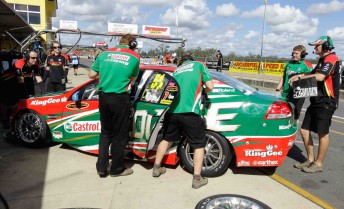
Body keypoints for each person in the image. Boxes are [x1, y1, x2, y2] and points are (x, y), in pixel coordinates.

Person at [152, 54, 214, 189]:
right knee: (198, 144)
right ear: (192, 59)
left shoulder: (177, 70)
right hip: (190, 112)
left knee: (167, 139)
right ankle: (197, 178)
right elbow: (210, 86)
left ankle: (156, 167)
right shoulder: (199, 65)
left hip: (172, 112)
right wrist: (204, 93)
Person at [88, 34, 140, 178]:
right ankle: (117, 169)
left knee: (105, 133)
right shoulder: (134, 57)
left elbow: (91, 74)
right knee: (119, 136)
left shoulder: (104, 54)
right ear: (133, 44)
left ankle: (101, 168)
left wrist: (105, 76)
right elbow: (133, 79)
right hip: (120, 99)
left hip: (103, 98)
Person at [289, 36, 340, 173]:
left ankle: (319, 163)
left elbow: (320, 77)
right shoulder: (322, 60)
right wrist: (298, 75)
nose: (314, 48)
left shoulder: (331, 59)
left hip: (327, 101)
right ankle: (310, 160)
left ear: (325, 46)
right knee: (304, 130)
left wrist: (299, 77)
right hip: (316, 100)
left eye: (317, 45)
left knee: (322, 133)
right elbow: (311, 73)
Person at [276, 45, 313, 120]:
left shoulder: (307, 65)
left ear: (302, 54)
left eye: (296, 53)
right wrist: (277, 89)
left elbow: (310, 79)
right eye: (293, 53)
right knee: (283, 113)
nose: (294, 55)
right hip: (286, 92)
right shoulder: (289, 63)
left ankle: (294, 129)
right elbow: (283, 77)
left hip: (299, 94)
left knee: (295, 116)